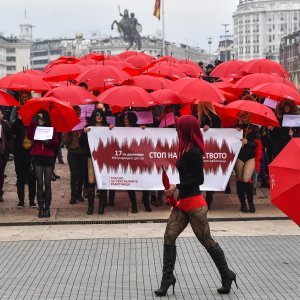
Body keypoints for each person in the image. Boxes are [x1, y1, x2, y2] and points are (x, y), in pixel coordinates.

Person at [154, 115, 237, 297]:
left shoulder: (194, 153)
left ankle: (227, 274)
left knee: (206, 241)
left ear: (186, 130)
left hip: (194, 204)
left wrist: (177, 186)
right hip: (183, 203)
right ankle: (167, 278)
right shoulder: (186, 149)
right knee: (169, 236)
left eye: (179, 128)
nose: (176, 131)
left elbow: (199, 179)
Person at [79, 108, 113, 215]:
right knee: (91, 182)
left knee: (102, 182)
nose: (99, 116)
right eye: (97, 114)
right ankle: (90, 207)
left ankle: (101, 207)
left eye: (101, 115)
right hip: (91, 158)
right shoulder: (88, 127)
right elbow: (82, 144)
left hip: (103, 159)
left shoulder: (107, 127)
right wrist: (84, 133)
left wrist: (112, 130)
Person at [27, 110, 59, 218]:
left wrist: (48, 142)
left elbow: (56, 143)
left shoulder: (52, 129)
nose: (40, 120)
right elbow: (29, 136)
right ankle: (41, 208)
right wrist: (33, 122)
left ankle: (47, 207)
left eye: (41, 118)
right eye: (38, 118)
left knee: (47, 183)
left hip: (48, 157)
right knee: (39, 184)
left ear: (45, 118)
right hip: (37, 156)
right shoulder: (35, 127)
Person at [234, 111, 260, 213]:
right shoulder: (236, 127)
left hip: (250, 157)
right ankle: (243, 204)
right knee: (240, 180)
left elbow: (257, 145)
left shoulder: (254, 128)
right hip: (239, 157)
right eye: (242, 115)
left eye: (246, 115)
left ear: (250, 115)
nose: (244, 117)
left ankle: (251, 202)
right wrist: (234, 133)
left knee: (246, 179)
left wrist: (247, 142)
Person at [198, 102, 222, 209]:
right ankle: (204, 198)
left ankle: (208, 197)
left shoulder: (214, 118)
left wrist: (210, 128)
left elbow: (219, 132)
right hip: (203, 149)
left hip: (210, 149)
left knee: (208, 172)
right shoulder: (200, 117)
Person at [11, 112, 37, 208]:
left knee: (32, 178)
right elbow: (12, 131)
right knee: (20, 178)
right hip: (19, 155)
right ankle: (21, 200)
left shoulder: (34, 123)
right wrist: (19, 120)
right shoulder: (17, 123)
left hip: (31, 154)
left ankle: (32, 200)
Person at [63, 106, 87, 204]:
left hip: (82, 152)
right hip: (72, 153)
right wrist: (69, 133)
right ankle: (73, 195)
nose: (77, 115)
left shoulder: (83, 124)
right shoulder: (68, 124)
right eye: (75, 113)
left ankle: (79, 193)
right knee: (74, 174)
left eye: (79, 113)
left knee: (81, 174)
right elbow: (65, 142)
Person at [0, 109, 12, 202]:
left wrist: (8, 148)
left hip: (3, 152)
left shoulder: (5, 124)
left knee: (1, 174)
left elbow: (10, 137)